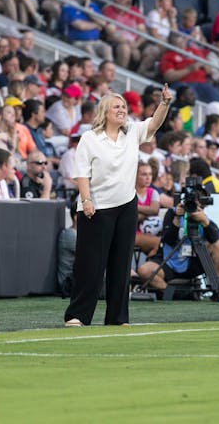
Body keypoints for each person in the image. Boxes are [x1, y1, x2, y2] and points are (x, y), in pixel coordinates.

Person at [64, 87, 173, 327]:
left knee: (121, 265)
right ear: (104, 112)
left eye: (124, 107)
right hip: (96, 207)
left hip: (126, 205)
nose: (122, 110)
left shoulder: (132, 132)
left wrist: (164, 103)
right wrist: (86, 201)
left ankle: (117, 317)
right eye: (117, 106)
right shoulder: (90, 139)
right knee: (90, 265)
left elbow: (153, 124)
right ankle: (77, 315)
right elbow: (81, 173)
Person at [135, 193, 219, 297]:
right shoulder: (172, 213)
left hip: (193, 261)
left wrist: (205, 221)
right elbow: (168, 240)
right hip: (169, 261)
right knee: (144, 271)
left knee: (217, 246)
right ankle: (174, 293)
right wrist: (177, 219)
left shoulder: (205, 219)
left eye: (197, 202)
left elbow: (215, 241)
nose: (193, 205)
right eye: (191, 202)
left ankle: (218, 290)